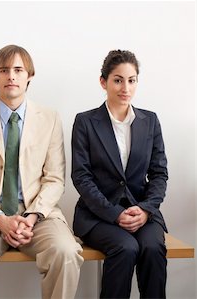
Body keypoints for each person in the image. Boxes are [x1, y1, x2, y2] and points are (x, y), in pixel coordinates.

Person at [0, 45, 83, 299]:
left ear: (29, 76)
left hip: (38, 213)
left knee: (66, 252)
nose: (11, 75)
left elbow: (54, 179)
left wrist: (30, 217)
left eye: (18, 70)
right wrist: (1, 220)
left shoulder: (50, 118)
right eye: (4, 70)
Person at [71, 50, 168, 298]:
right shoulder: (85, 122)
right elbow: (81, 177)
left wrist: (146, 209)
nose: (125, 87)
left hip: (142, 210)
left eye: (132, 80)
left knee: (153, 247)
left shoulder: (150, 121)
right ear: (103, 82)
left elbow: (159, 174)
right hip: (98, 215)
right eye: (118, 80)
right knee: (125, 248)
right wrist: (115, 214)